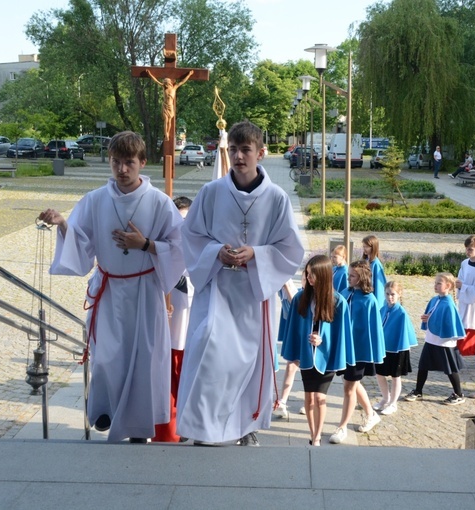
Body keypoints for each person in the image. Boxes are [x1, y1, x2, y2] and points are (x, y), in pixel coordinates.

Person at [37, 131, 185, 443]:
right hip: (109, 288)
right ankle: (108, 410)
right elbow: (81, 241)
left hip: (144, 291)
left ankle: (137, 429)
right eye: (116, 162)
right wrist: (63, 223)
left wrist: (145, 244)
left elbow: (181, 247)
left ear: (142, 163)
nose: (122, 169)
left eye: (129, 163)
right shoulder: (95, 200)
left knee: (143, 360)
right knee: (107, 357)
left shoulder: (159, 202)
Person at [177, 120, 304, 447]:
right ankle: (204, 427)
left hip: (254, 294)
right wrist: (217, 251)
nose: (238, 156)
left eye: (245, 150)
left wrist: (257, 254)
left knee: (248, 362)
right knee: (209, 351)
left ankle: (244, 426)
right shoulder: (211, 192)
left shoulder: (276, 198)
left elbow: (290, 249)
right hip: (217, 287)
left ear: (261, 153)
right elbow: (190, 235)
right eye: (233, 150)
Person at [282, 255, 354, 445]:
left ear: (323, 275)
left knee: (320, 397)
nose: (309, 278)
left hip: (326, 357)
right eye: (307, 274)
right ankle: (312, 433)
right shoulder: (300, 298)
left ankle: (317, 436)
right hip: (307, 356)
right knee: (309, 398)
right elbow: (295, 327)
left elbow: (341, 334)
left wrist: (323, 340)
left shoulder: (338, 302)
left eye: (313, 275)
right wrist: (299, 348)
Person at [330, 260, 385, 444]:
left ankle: (342, 427)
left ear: (361, 278)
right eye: (348, 275)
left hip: (359, 351)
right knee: (352, 384)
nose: (348, 278)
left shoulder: (369, 300)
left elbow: (373, 331)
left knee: (348, 387)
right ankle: (371, 414)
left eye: (352, 276)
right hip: (345, 348)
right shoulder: (345, 293)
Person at [153, 196, 193, 443]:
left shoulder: (197, 250)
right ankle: (168, 434)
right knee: (166, 390)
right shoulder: (165, 249)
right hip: (167, 336)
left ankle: (187, 428)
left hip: (190, 333)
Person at [404, 273, 467, 405]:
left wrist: (430, 319)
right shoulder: (435, 299)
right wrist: (427, 318)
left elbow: (447, 322)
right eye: (435, 283)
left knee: (450, 369)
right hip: (431, 339)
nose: (435, 285)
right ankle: (418, 391)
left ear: (448, 286)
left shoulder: (449, 304)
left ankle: (459, 394)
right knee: (423, 366)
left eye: (439, 283)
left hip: (444, 342)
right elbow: (433, 315)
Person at [374, 280, 418, 415]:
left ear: (399, 294)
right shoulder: (382, 309)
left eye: (392, 294)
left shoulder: (401, 313)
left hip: (397, 349)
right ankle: (385, 398)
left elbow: (404, 333)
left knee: (395, 377)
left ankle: (393, 403)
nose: (389, 297)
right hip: (383, 348)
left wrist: (403, 347)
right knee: (379, 374)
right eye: (387, 294)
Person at [273, 278, 301, 420]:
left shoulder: (290, 287)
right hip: (296, 331)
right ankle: (282, 401)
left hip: (305, 333)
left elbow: (296, 305)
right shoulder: (283, 285)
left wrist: (286, 285)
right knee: (291, 366)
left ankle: (312, 399)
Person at [146, 69, 194, 141]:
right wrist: (150, 74)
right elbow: (156, 81)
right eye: (165, 83)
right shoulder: (163, 87)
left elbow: (182, 82)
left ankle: (168, 132)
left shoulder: (174, 88)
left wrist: (189, 75)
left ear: (169, 83)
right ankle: (166, 134)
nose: (165, 84)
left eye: (166, 83)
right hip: (165, 105)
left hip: (170, 106)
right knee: (166, 120)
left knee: (169, 121)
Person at [362, 234, 387, 309]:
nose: (364, 249)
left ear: (373, 247)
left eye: (366, 247)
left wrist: (377, 306)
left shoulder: (376, 264)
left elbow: (379, 287)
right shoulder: (366, 261)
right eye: (363, 246)